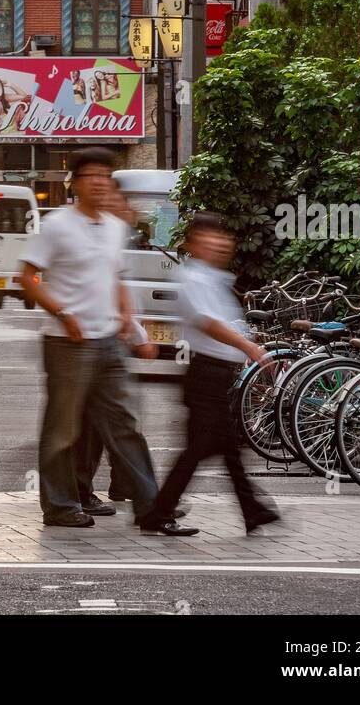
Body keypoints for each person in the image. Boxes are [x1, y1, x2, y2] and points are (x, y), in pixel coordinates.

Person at [21, 149, 195, 536]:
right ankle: (61, 505)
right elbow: (27, 276)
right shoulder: (58, 225)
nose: (100, 182)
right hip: (67, 343)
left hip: (109, 343)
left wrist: (135, 331)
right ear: (76, 183)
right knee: (63, 428)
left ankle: (153, 507)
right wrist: (63, 314)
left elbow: (115, 280)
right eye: (92, 175)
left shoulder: (115, 228)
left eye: (106, 175)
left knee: (124, 426)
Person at [143, 212, 280, 535]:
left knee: (227, 448)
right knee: (200, 450)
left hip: (216, 374)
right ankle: (159, 512)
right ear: (193, 244)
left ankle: (251, 510)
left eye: (221, 237)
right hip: (205, 373)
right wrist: (249, 348)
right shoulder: (192, 279)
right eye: (208, 238)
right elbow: (208, 322)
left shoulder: (212, 277)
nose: (218, 243)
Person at [74, 178, 155, 513]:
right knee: (105, 426)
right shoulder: (95, 238)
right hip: (93, 343)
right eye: (117, 202)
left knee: (112, 425)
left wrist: (137, 333)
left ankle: (130, 489)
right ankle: (109, 491)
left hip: (110, 344)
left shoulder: (115, 239)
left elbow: (122, 295)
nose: (126, 209)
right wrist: (138, 335)